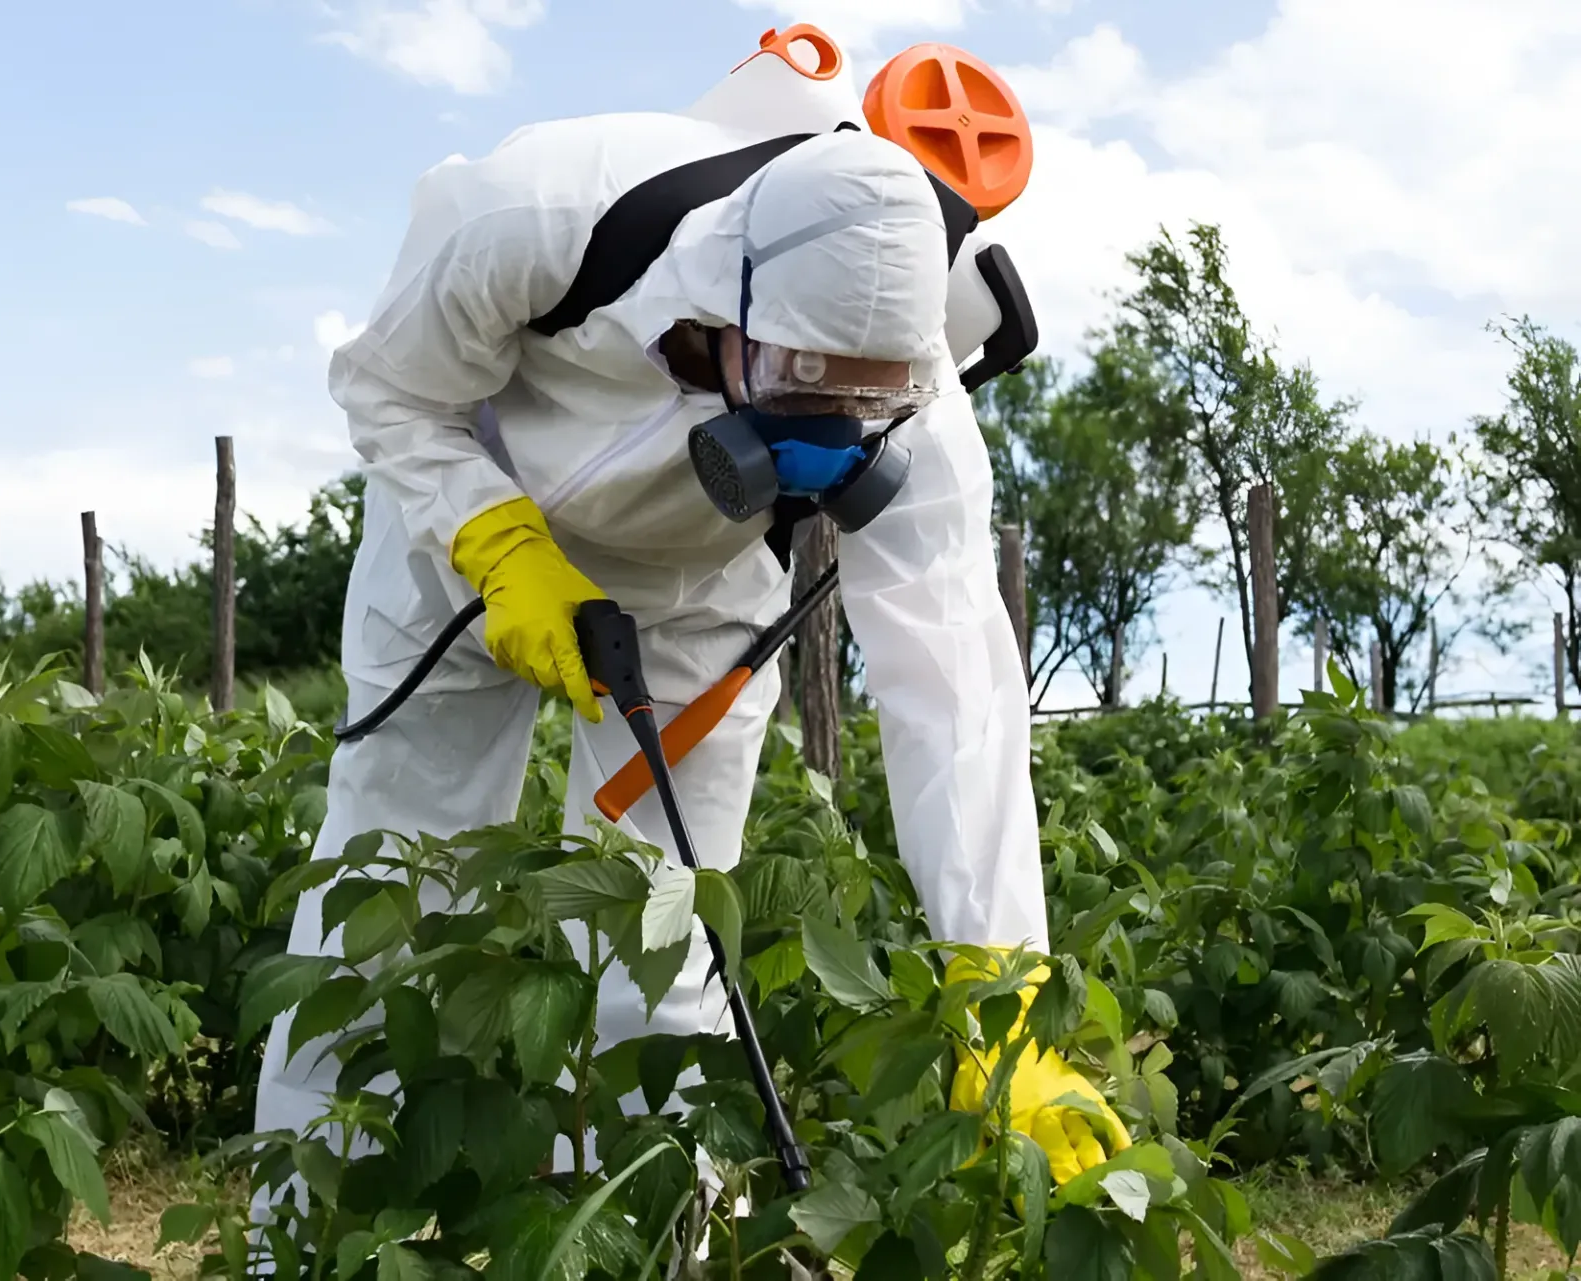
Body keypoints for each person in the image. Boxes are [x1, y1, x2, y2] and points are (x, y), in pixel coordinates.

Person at [252, 64, 1130, 1211]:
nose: (823, 440)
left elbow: (955, 686)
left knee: (657, 929)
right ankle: (305, 1231)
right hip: (463, 535)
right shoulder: (538, 213)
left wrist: (997, 982)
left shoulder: (928, 411)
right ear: (730, 310)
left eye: (861, 413)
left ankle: (653, 1232)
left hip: (696, 593)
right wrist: (498, 545)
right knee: (392, 878)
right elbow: (388, 390)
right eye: (798, 393)